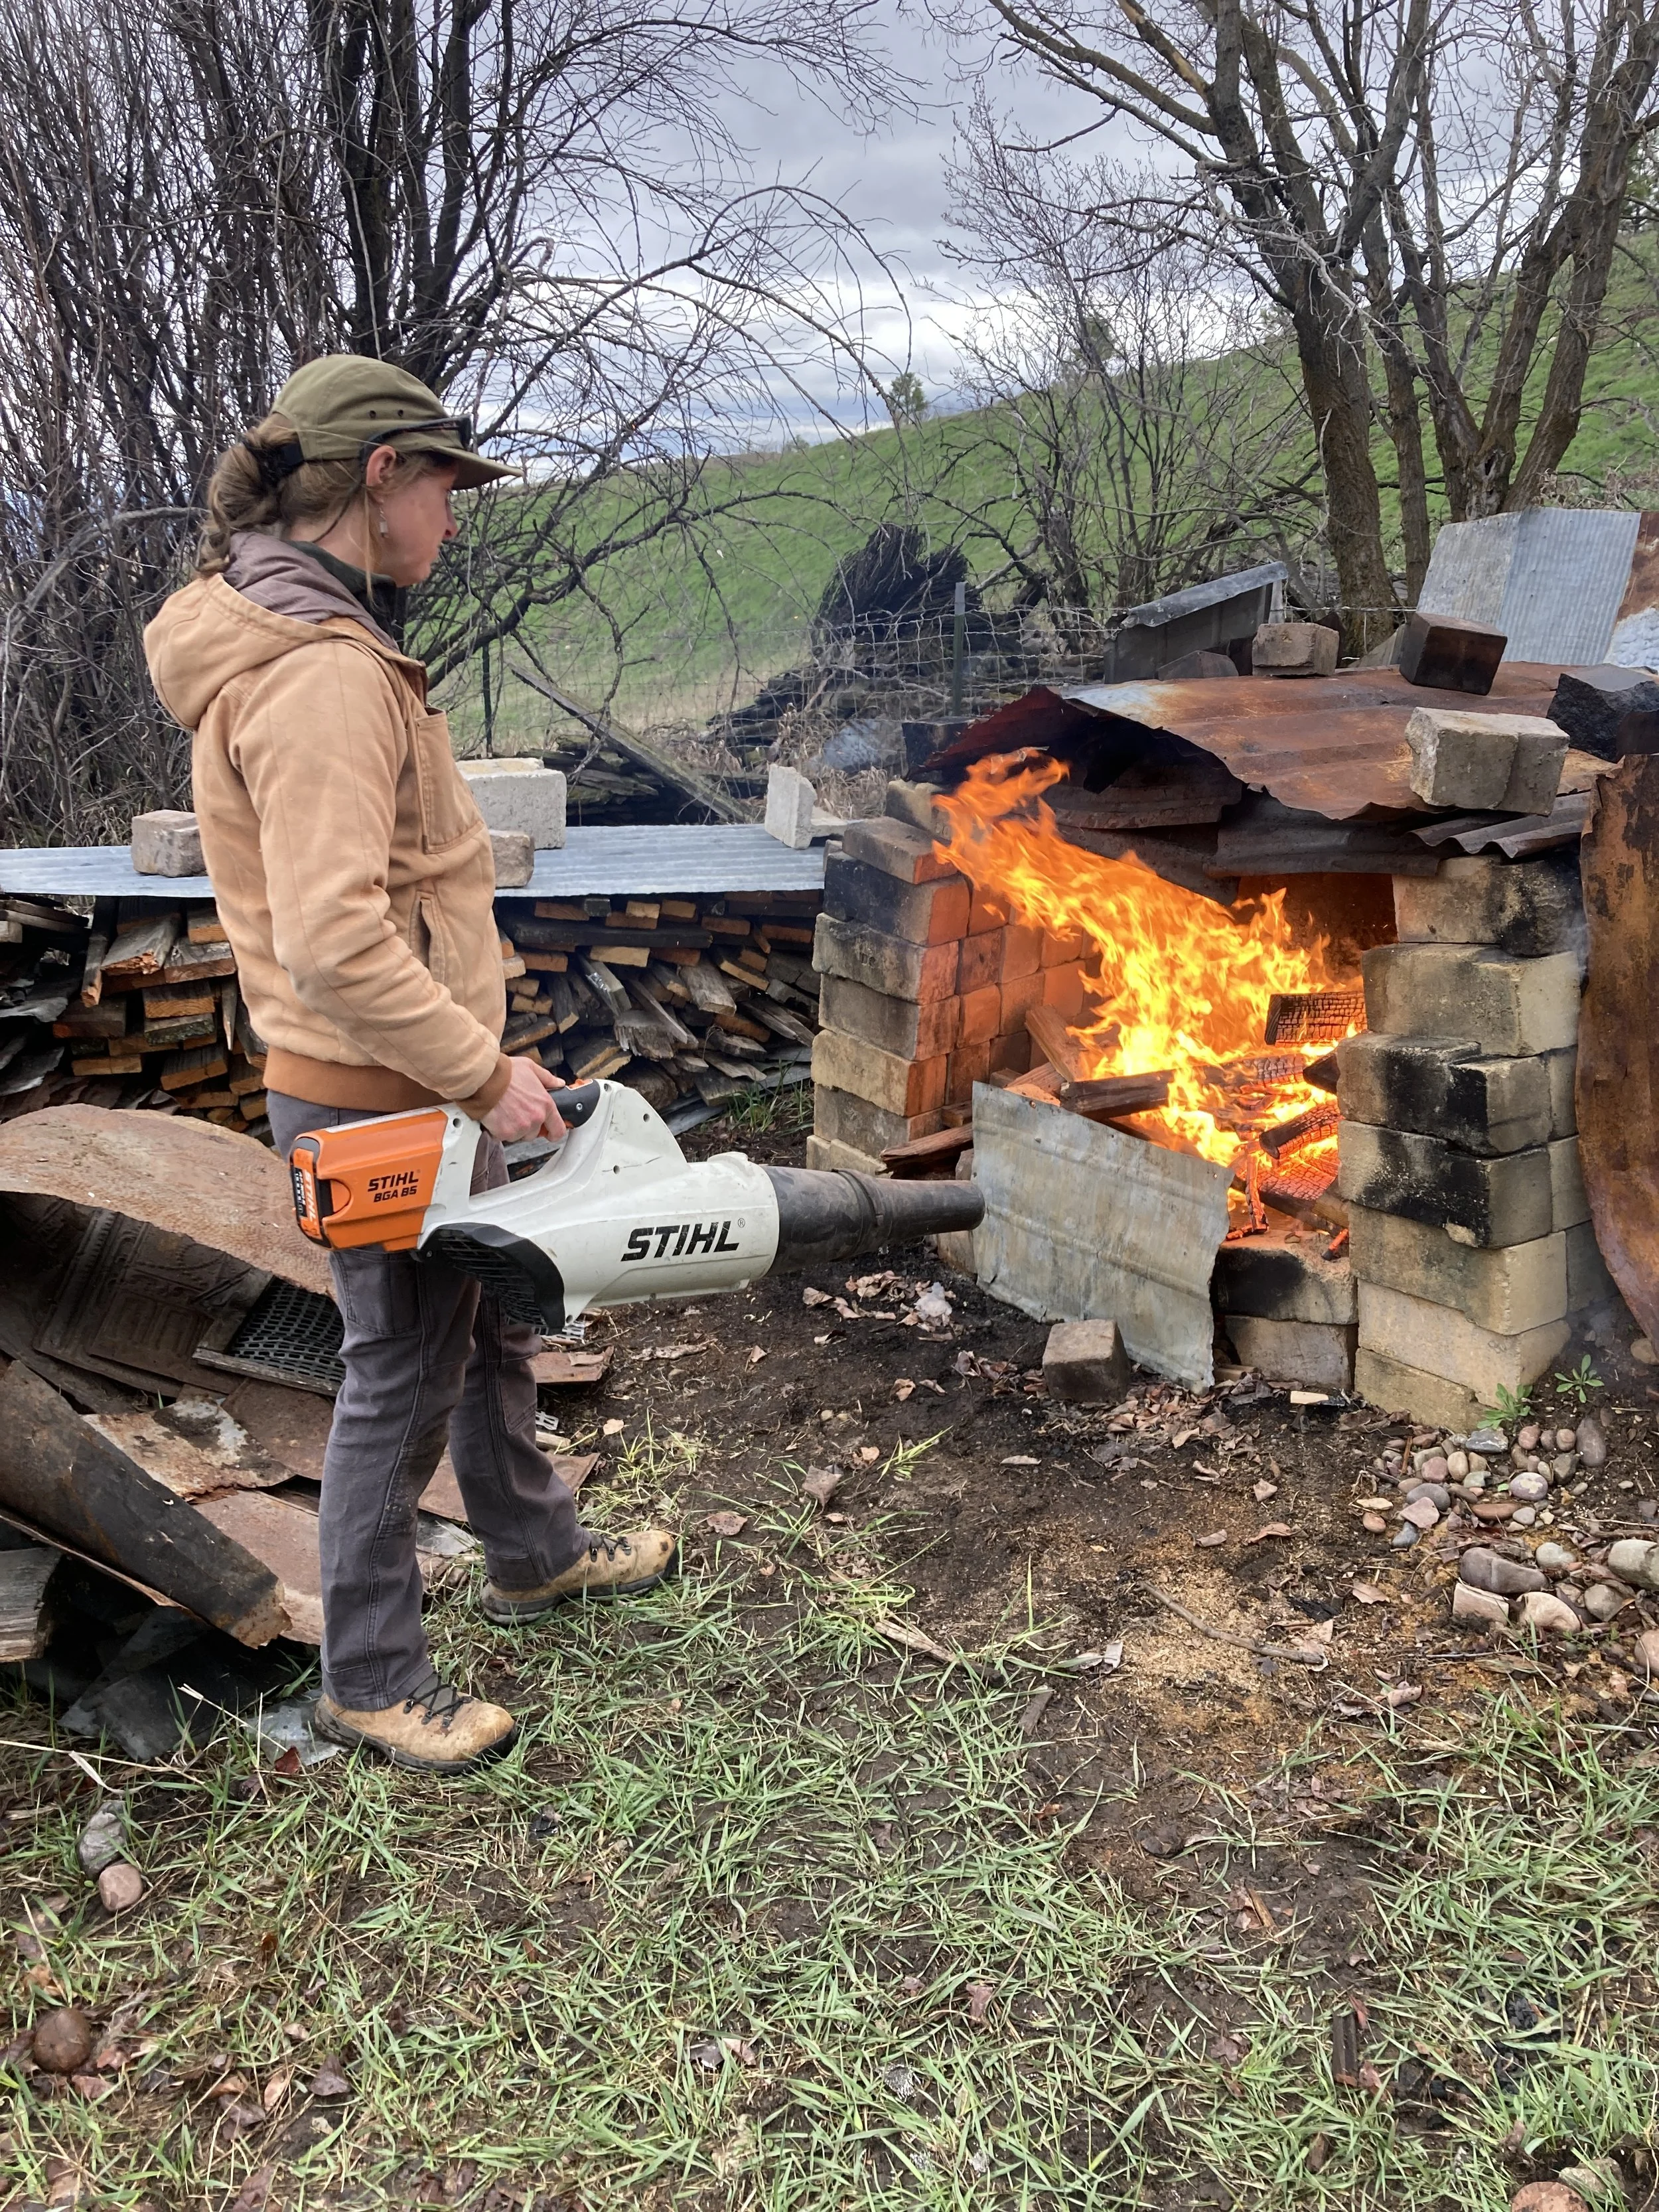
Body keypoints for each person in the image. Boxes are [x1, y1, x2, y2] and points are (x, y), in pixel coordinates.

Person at [144, 356, 677, 1776]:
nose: (453, 516)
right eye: (444, 485)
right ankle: (372, 1677)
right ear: (378, 477)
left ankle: (535, 1554)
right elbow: (333, 941)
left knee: (488, 1322)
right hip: (385, 1094)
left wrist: (468, 1068)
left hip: (405, 1080)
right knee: (401, 1374)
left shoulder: (315, 639)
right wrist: (479, 1074)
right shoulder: (319, 674)